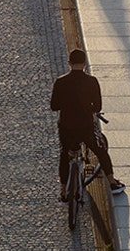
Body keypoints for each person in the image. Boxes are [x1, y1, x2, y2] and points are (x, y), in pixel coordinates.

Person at [52, 48, 123, 199]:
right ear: (84, 64)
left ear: (69, 63)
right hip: (85, 126)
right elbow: (97, 107)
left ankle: (63, 189)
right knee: (100, 150)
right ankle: (112, 182)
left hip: (66, 126)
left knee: (65, 154)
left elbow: (54, 106)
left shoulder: (60, 81)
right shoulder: (91, 81)